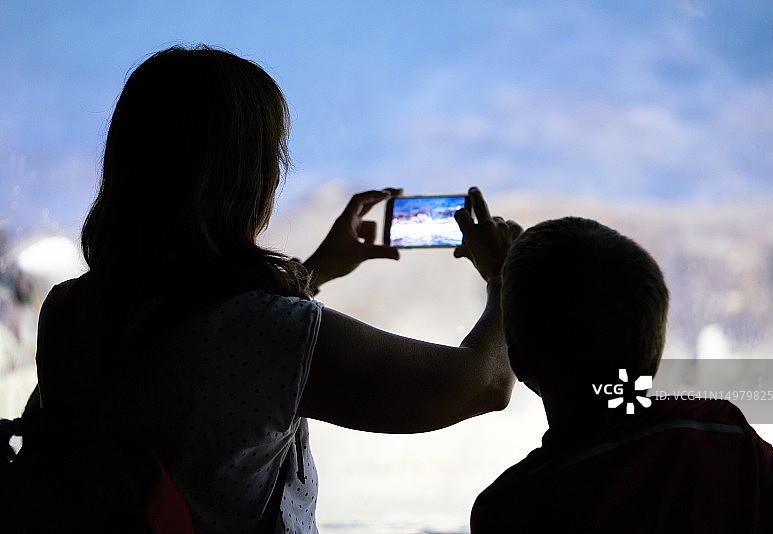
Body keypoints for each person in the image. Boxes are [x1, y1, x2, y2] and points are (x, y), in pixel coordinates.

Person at [16, 45, 521, 533]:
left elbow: (196, 314)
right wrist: (503, 274)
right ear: (245, 176)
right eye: (273, 155)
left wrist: (318, 269)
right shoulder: (269, 336)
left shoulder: (68, 311)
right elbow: (484, 383)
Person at [471, 216, 773, 533]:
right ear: (655, 353)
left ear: (519, 363)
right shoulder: (722, 435)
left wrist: (498, 282)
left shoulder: (511, 507)